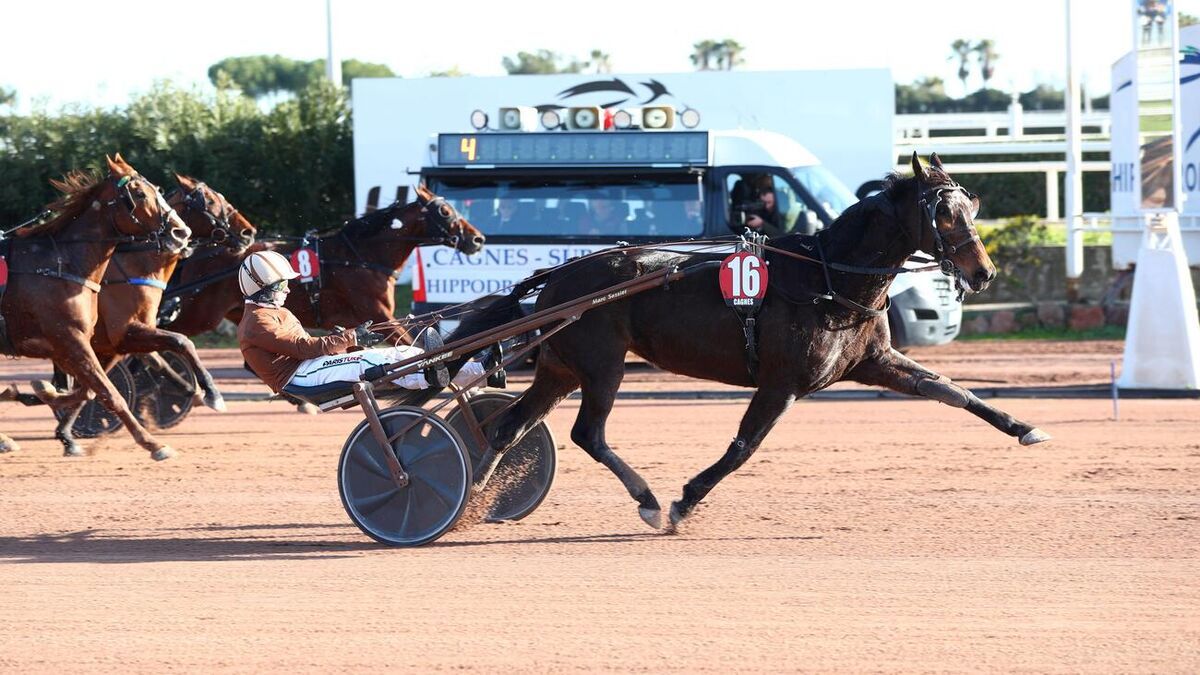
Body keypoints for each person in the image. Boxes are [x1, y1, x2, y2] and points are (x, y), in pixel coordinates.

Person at [236, 251, 500, 395]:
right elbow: (305, 348)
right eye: (282, 285)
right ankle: (428, 375)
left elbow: (308, 348)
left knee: (402, 353)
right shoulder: (257, 322)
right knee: (374, 363)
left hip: (309, 368)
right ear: (262, 286)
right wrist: (351, 338)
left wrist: (345, 343)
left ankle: (480, 371)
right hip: (300, 377)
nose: (288, 290)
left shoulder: (273, 313)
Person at [730, 174, 786, 238]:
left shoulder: (781, 211)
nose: (766, 206)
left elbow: (781, 235)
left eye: (769, 202)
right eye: (764, 203)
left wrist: (762, 223)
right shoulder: (761, 210)